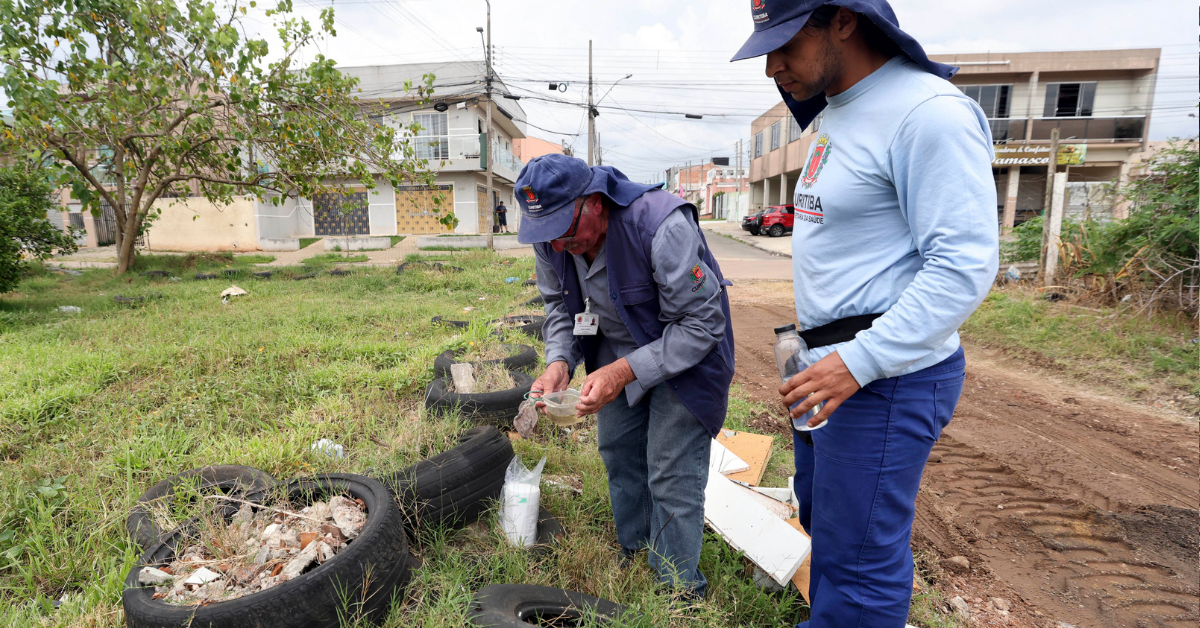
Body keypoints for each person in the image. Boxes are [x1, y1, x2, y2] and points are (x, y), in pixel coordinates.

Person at [731, 1, 999, 626]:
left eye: (787, 44)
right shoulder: (835, 113)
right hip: (828, 367)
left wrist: (860, 362)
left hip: (883, 378)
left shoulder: (926, 114)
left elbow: (962, 265)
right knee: (827, 523)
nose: (772, 66)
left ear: (843, 20)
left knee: (861, 565)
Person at [515, 153, 735, 599]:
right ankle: (637, 550)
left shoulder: (660, 225)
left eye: (565, 230)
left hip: (688, 354)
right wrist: (560, 360)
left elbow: (702, 325)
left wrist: (625, 371)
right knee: (619, 452)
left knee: (670, 470)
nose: (557, 246)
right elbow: (559, 307)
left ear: (594, 201)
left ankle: (677, 588)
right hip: (613, 351)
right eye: (546, 234)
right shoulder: (552, 236)